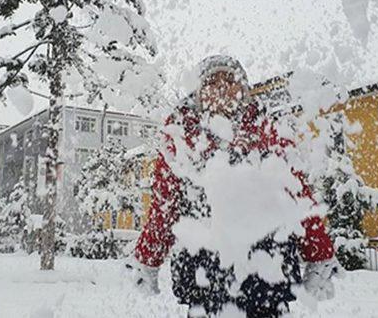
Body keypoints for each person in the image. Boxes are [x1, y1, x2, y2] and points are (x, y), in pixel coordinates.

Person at [130, 55, 343, 317]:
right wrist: (148, 258)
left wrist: (319, 253)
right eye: (211, 81)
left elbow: (297, 194)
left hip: (266, 272)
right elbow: (165, 205)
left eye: (229, 80)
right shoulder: (181, 136)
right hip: (202, 275)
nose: (221, 88)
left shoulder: (267, 129)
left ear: (243, 89)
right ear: (198, 92)